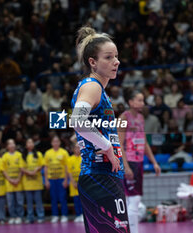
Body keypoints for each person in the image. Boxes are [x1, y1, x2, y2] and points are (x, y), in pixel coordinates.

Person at [70, 26, 129, 232]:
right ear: (93, 62)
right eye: (109, 57)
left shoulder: (98, 89)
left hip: (103, 176)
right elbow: (77, 120)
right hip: (99, 176)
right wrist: (107, 147)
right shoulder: (92, 86)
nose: (116, 61)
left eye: (117, 56)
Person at [118, 89, 161, 233]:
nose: (143, 103)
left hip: (139, 161)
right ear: (130, 102)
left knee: (134, 200)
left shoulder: (141, 118)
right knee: (133, 199)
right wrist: (125, 166)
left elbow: (144, 143)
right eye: (139, 100)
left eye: (143, 100)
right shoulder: (123, 118)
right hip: (129, 162)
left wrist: (154, 162)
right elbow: (119, 143)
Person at [44, 136, 69, 223]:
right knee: (53, 198)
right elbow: (46, 167)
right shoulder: (48, 153)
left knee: (62, 198)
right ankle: (55, 215)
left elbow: (67, 167)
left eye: (57, 141)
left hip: (61, 179)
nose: (55, 143)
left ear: (59, 142)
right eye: (54, 141)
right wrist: (46, 180)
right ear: (51, 143)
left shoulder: (64, 152)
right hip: (51, 179)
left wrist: (66, 180)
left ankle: (64, 215)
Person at [22, 138, 45, 224]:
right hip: (27, 183)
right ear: (26, 145)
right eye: (28, 142)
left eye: (31, 142)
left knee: (38, 201)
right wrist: (29, 172)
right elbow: (21, 168)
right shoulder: (23, 155)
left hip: (37, 183)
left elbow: (42, 165)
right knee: (29, 202)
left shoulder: (38, 154)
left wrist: (36, 170)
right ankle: (30, 217)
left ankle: (40, 216)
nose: (30, 144)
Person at [2, 139, 24, 224]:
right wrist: (10, 179)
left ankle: (19, 216)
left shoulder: (19, 155)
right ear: (7, 146)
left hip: (18, 183)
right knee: (10, 202)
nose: (12, 145)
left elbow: (21, 169)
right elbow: (3, 170)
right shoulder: (5, 156)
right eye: (10, 144)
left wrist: (18, 179)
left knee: (19, 201)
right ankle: (12, 216)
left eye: (13, 143)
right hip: (9, 183)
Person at [67, 144, 83, 222]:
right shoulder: (70, 159)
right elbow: (69, 172)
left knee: (83, 200)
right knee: (76, 200)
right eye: (76, 148)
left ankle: (83, 215)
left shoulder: (83, 158)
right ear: (73, 149)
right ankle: (78, 215)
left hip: (82, 183)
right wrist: (73, 182)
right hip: (73, 183)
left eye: (79, 147)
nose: (78, 149)